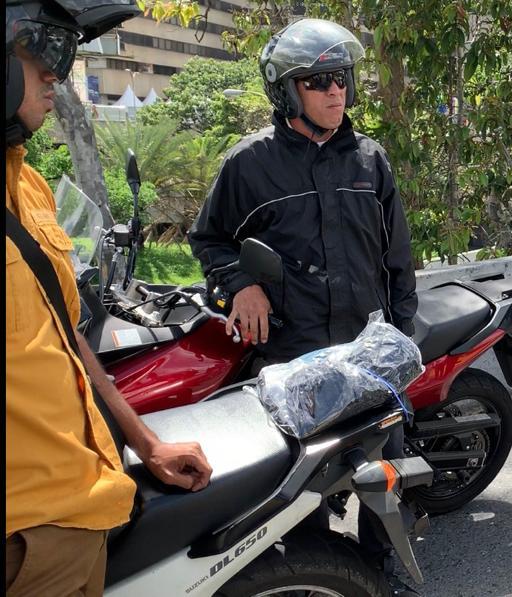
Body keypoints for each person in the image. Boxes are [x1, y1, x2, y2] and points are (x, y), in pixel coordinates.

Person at [188, 18, 419, 595]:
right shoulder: (250, 163)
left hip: (367, 357)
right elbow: (209, 239)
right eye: (318, 82)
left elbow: (399, 261)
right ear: (287, 91)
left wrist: (402, 341)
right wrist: (240, 283)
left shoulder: (370, 160)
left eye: (341, 78)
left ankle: (384, 563)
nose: (335, 91)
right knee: (300, 487)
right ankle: (314, 575)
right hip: (296, 357)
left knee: (383, 472)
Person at [6, 1, 213, 595]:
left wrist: (145, 443)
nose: (55, 73)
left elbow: (66, 338)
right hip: (25, 543)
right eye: (42, 50)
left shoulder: (30, 183)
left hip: (77, 519)